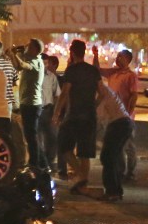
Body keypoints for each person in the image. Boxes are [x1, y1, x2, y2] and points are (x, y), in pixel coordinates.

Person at [54, 39, 103, 194]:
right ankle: (82, 185)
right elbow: (102, 93)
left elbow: (64, 93)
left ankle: (81, 178)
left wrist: (56, 113)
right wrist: (93, 105)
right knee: (85, 153)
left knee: (63, 145)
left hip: (74, 114)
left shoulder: (72, 70)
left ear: (72, 52)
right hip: (89, 115)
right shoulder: (93, 71)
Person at [93, 47, 139, 180]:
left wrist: (129, 114)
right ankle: (121, 170)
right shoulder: (113, 73)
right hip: (112, 116)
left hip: (125, 116)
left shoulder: (131, 76)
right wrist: (95, 55)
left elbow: (134, 96)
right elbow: (97, 70)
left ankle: (131, 172)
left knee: (128, 145)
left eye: (121, 57)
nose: (118, 59)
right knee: (117, 145)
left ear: (128, 60)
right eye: (117, 56)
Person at [9, 39, 45, 168]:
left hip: (31, 104)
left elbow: (22, 66)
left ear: (35, 49)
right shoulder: (33, 60)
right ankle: (42, 163)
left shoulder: (35, 62)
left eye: (28, 46)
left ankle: (35, 164)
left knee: (31, 136)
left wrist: (13, 54)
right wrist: (16, 54)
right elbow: (19, 65)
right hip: (28, 103)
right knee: (31, 136)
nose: (25, 47)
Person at [96, 82, 133, 203]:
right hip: (123, 123)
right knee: (113, 158)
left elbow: (99, 117)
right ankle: (116, 191)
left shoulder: (101, 91)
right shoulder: (104, 91)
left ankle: (112, 192)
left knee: (107, 157)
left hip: (118, 124)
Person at [38, 54, 62, 176]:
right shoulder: (30, 75)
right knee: (37, 140)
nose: (45, 65)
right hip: (35, 111)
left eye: (46, 63)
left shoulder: (51, 77)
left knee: (52, 138)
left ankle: (49, 162)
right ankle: (39, 164)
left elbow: (57, 95)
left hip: (48, 110)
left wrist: (56, 112)